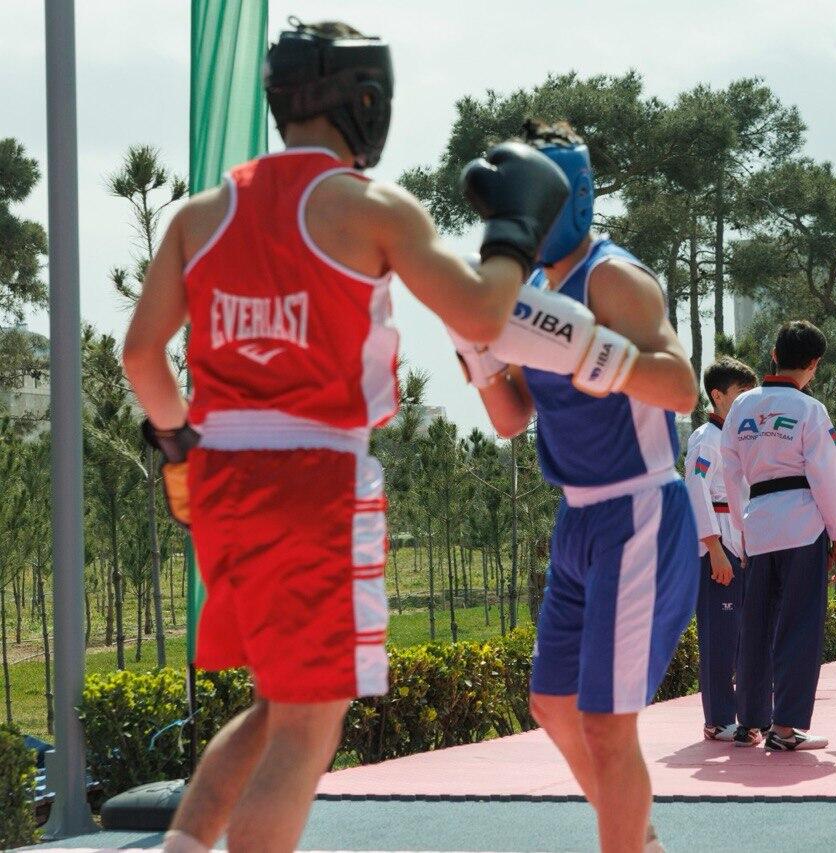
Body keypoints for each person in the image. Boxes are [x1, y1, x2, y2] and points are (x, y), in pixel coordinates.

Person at [120, 21, 570, 853]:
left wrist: (183, 450)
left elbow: (142, 357)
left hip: (219, 477)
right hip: (314, 481)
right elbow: (481, 311)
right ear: (366, 102)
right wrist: (516, 229)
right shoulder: (368, 207)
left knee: (271, 705)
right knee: (308, 725)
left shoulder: (199, 213)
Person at [460, 120, 699, 853]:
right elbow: (511, 419)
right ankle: (640, 841)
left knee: (605, 720)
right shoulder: (527, 285)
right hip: (577, 522)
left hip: (641, 511)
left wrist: (592, 348)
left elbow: (683, 388)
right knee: (554, 702)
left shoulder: (613, 276)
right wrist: (478, 358)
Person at [720, 321, 836, 751]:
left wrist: (743, 533)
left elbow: (731, 478)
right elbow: (829, 477)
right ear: (814, 365)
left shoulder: (741, 407)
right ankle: (785, 729)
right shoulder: (809, 410)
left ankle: (750, 720)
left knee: (756, 624)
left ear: (775, 356)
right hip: (803, 523)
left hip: (759, 522)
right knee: (799, 626)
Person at [683, 356, 759, 741]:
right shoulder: (705, 438)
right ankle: (718, 718)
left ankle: (749, 713)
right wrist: (713, 548)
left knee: (748, 636)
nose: (749, 402)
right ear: (718, 396)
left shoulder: (739, 439)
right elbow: (695, 490)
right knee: (720, 636)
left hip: (744, 542)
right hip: (718, 545)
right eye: (741, 394)